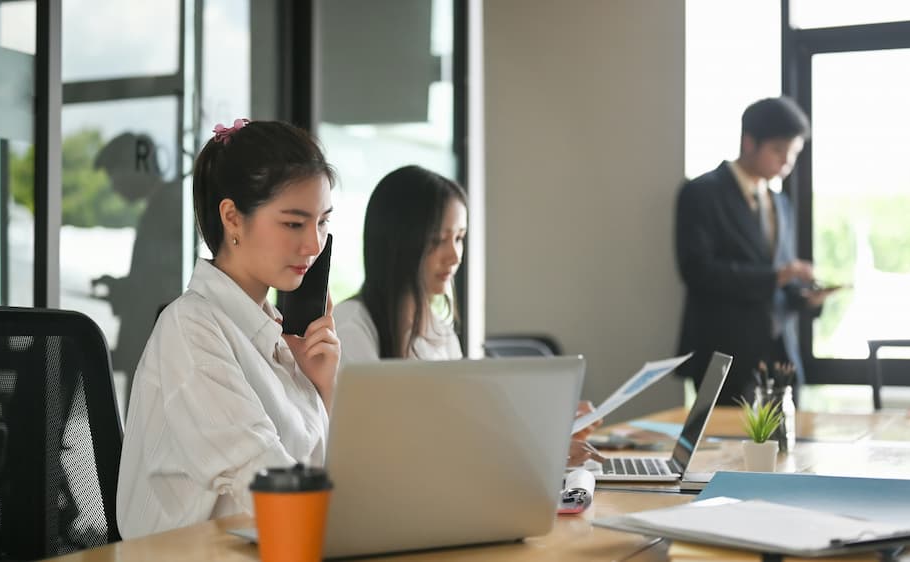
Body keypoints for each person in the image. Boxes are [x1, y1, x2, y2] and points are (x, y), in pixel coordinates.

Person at [117, 119, 341, 538]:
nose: (314, 244)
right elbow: (265, 480)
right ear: (233, 218)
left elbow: (323, 481)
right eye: (294, 223)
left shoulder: (279, 337)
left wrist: (324, 389)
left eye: (323, 222)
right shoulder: (190, 329)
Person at [335, 165, 604, 465]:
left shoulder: (439, 331)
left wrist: (552, 431)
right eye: (438, 240)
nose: (454, 255)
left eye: (459, 238)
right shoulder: (350, 328)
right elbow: (393, 444)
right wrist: (541, 450)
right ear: (397, 242)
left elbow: (462, 433)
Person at [675, 97, 836, 406]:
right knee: (726, 450)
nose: (786, 162)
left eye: (793, 153)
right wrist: (776, 275)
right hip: (724, 355)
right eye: (779, 151)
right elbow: (696, 270)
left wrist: (806, 297)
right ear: (749, 143)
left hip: (780, 357)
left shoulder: (781, 204)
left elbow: (780, 288)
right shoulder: (701, 193)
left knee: (788, 449)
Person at [91, 133, 183, 411]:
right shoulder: (164, 204)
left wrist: (125, 291)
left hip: (156, 348)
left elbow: (164, 284)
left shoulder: (168, 206)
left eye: (113, 173)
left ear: (135, 167)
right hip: (152, 347)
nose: (113, 184)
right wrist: (121, 287)